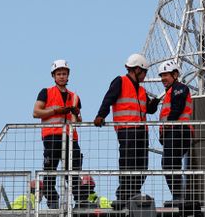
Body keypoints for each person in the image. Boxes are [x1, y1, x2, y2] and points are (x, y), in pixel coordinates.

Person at [93, 53, 160, 202]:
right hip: (127, 129)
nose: (145, 76)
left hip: (142, 131)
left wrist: (154, 104)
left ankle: (134, 192)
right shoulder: (120, 81)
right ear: (137, 69)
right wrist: (101, 115)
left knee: (142, 165)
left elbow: (148, 109)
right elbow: (108, 99)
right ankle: (124, 194)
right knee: (128, 162)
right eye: (144, 72)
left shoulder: (141, 91)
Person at [33, 59, 87, 209]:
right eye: (59, 74)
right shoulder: (46, 92)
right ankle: (52, 199)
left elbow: (78, 121)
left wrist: (77, 114)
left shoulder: (74, 97)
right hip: (52, 135)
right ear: (54, 76)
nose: (62, 76)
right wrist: (56, 111)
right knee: (50, 169)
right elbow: (36, 112)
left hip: (70, 137)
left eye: (64, 73)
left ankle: (81, 199)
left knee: (74, 170)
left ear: (68, 75)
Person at [158, 59, 193, 202]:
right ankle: (178, 195)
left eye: (165, 75)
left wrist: (166, 126)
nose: (163, 79)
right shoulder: (170, 91)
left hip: (178, 130)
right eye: (161, 76)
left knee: (169, 163)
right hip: (175, 131)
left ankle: (178, 196)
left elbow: (176, 109)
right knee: (171, 163)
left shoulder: (179, 88)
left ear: (175, 74)